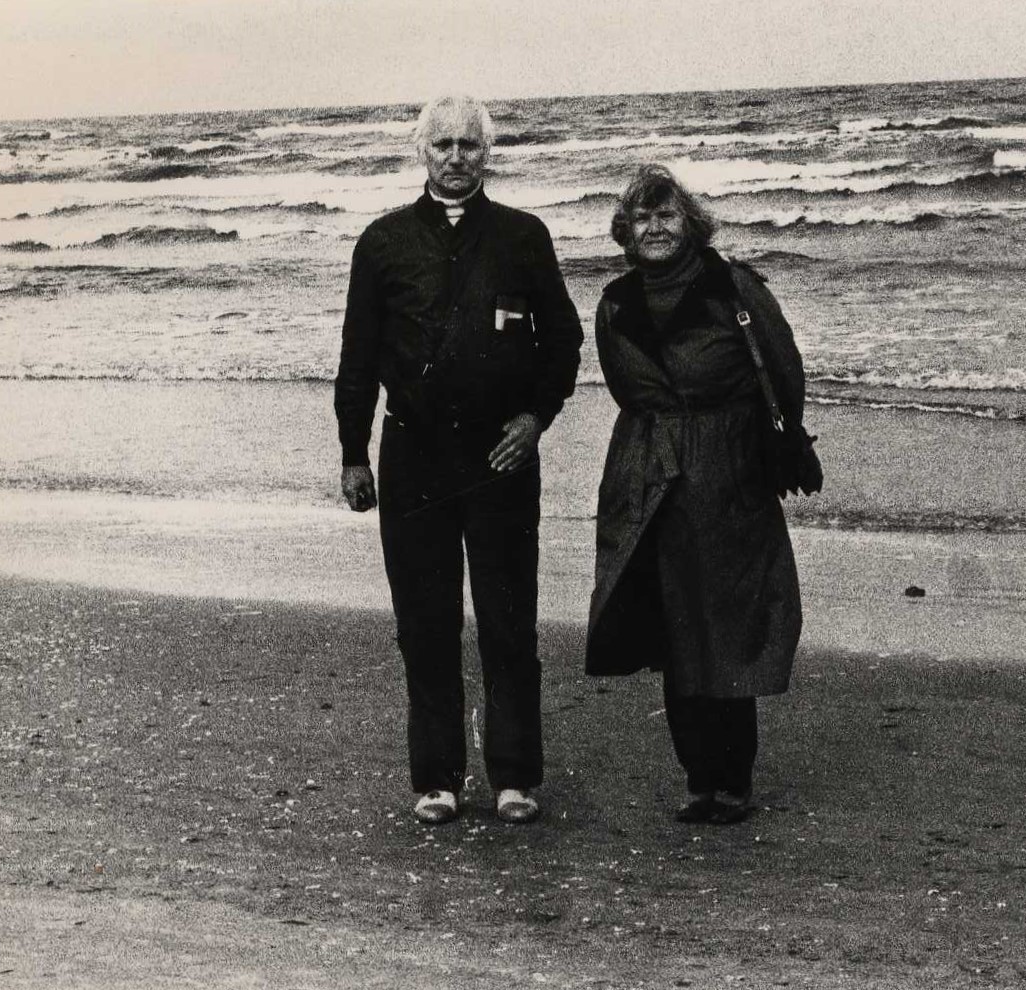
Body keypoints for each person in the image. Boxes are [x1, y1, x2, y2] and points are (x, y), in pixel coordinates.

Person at [335, 96, 583, 825]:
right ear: (421, 152)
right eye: (442, 144)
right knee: (425, 623)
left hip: (500, 458)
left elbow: (563, 342)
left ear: (487, 153)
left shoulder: (522, 236)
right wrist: (353, 454)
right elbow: (357, 358)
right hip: (412, 456)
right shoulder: (382, 242)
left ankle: (514, 778)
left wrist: (535, 419)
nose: (455, 157)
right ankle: (438, 779)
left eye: (468, 145)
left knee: (509, 621)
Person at [586, 164, 804, 825]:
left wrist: (768, 448)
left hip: (727, 473)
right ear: (625, 231)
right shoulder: (615, 302)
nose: (655, 227)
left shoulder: (732, 286)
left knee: (729, 627)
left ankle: (733, 781)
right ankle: (699, 781)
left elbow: (784, 369)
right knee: (674, 629)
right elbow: (625, 387)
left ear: (690, 223)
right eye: (642, 217)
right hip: (647, 473)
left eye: (667, 215)